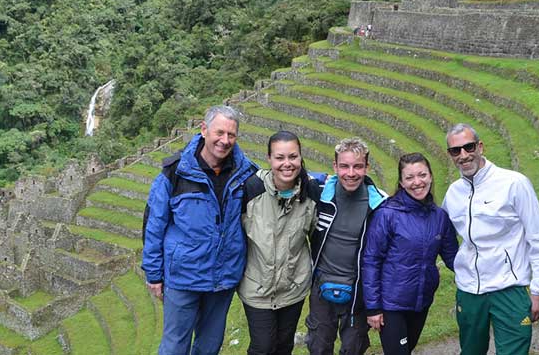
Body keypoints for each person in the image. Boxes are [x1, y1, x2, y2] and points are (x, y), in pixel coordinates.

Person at [141, 105, 257, 355]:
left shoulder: (246, 173)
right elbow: (153, 225)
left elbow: (279, 178)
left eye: (231, 135)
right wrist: (153, 274)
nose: (225, 141)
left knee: (209, 347)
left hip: (223, 278)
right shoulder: (174, 173)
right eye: (220, 132)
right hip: (184, 276)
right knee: (174, 346)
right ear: (204, 130)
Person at [441, 123, 539, 355]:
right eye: (455, 150)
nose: (463, 155)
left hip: (508, 289)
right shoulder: (453, 193)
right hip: (469, 291)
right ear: (450, 155)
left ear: (480, 147)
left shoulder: (514, 183)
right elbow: (443, 236)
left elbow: (538, 238)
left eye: (468, 147)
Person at [362, 153, 459, 355]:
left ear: (431, 176)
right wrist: (373, 307)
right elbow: (371, 261)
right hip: (391, 304)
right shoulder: (387, 214)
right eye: (409, 177)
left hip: (421, 301)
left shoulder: (439, 217)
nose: (417, 182)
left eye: (422, 175)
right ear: (401, 182)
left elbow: (454, 259)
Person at [239, 131, 321, 355]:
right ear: (269, 159)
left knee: (284, 347)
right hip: (257, 287)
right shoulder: (251, 190)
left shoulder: (310, 191)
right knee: (262, 347)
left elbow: (317, 237)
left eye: (293, 157)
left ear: (301, 157)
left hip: (293, 286)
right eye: (280, 157)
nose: (287, 164)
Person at [306, 137, 389, 355]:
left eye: (357, 166)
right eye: (344, 166)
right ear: (335, 166)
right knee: (318, 347)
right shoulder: (320, 192)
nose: (350, 173)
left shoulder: (380, 204)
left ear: (367, 167)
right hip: (321, 287)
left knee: (353, 348)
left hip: (358, 292)